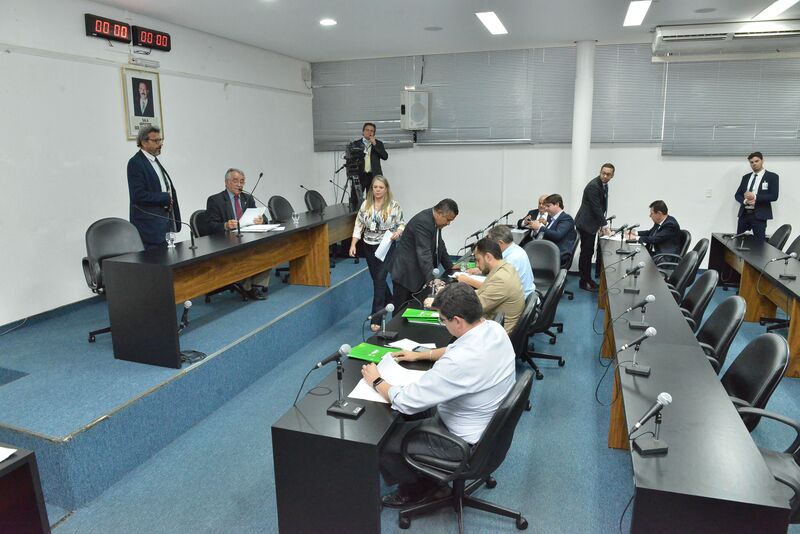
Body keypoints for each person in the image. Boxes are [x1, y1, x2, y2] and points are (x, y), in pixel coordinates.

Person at [360, 282, 515, 508]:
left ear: (457, 321)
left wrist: (376, 381)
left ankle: (418, 490)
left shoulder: (460, 362)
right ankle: (428, 474)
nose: (443, 324)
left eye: (443, 320)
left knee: (383, 441)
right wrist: (422, 355)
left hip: (462, 443)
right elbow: (454, 349)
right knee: (418, 411)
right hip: (489, 429)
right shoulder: (493, 328)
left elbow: (405, 401)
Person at [205, 168, 272, 300]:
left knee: (268, 248)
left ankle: (256, 285)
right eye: (235, 181)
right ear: (226, 182)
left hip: (247, 236)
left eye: (242, 181)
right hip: (226, 241)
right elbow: (209, 226)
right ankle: (248, 287)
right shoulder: (215, 200)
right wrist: (225, 225)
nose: (239, 185)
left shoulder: (248, 198)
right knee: (245, 252)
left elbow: (262, 216)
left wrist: (261, 220)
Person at [349, 175, 405, 331]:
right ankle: (391, 300)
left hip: (386, 245)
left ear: (386, 189)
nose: (378, 190)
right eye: (375, 187)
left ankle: (376, 316)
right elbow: (358, 225)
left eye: (381, 187)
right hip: (368, 245)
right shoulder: (365, 204)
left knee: (379, 279)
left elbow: (401, 223)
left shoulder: (394, 205)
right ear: (371, 189)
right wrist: (353, 244)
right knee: (377, 279)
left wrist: (398, 232)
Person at [391, 199, 458, 311]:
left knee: (414, 307)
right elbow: (424, 252)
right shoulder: (424, 222)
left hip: (416, 271)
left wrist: (450, 266)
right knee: (401, 311)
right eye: (448, 220)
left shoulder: (435, 222)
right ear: (440, 213)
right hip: (405, 273)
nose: (448, 223)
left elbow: (439, 244)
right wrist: (432, 279)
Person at [452, 238, 525, 334]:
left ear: (488, 257)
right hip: (496, 325)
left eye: (478, 260)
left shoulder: (501, 279)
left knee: (453, 324)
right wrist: (454, 295)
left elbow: (473, 309)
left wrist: (444, 302)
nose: (477, 265)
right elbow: (482, 292)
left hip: (497, 335)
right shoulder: (506, 267)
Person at [127, 125, 181, 249]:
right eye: (156, 141)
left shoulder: (153, 160)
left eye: (160, 140)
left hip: (164, 224)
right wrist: (164, 198)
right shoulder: (136, 163)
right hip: (149, 228)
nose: (160, 144)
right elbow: (138, 195)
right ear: (143, 142)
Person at [574, 163, 614, 292]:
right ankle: (584, 281)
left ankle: (588, 279)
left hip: (591, 223)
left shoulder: (604, 185)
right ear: (600, 172)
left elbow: (602, 207)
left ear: (612, 176)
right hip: (586, 224)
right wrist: (605, 226)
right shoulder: (594, 186)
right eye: (603, 173)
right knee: (586, 253)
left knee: (589, 252)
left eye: (608, 174)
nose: (605, 176)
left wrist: (601, 224)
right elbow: (596, 208)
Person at [734, 151, 779, 242]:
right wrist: (745, 201)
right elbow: (737, 195)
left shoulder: (772, 176)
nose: (754, 164)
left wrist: (755, 196)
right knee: (739, 242)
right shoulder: (746, 177)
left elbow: (774, 196)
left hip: (759, 215)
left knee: (759, 244)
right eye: (751, 162)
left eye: (756, 161)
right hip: (744, 214)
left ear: (762, 161)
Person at [480, 225, 536, 299]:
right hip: (522, 294)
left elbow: (495, 286)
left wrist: (468, 279)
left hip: (521, 299)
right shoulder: (515, 249)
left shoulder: (512, 259)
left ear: (500, 243)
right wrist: (481, 271)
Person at [528, 193, 577, 269]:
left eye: (548, 206)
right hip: (549, 250)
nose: (546, 209)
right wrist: (536, 229)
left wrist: (539, 227)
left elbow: (557, 235)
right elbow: (547, 234)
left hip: (557, 254)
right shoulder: (553, 219)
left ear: (557, 205)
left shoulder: (566, 218)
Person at [353, 122, 389, 192]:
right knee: (356, 197)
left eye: (371, 131)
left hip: (373, 176)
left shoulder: (378, 143)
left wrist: (375, 144)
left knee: (372, 198)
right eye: (367, 130)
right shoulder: (356, 144)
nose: (369, 132)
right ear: (363, 132)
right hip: (359, 175)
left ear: (374, 133)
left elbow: (385, 157)